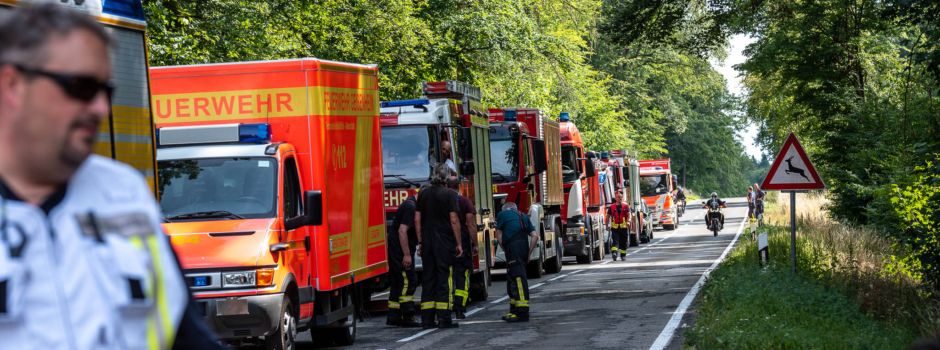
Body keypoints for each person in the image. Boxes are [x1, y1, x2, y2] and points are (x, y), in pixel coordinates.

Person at [0, 4, 223, 349]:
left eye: (107, 91)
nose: (101, 108)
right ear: (12, 85)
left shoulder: (124, 193)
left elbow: (186, 333)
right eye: (80, 87)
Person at [415, 165, 463, 329]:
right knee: (444, 278)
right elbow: (454, 220)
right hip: (444, 242)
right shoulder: (450, 194)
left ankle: (427, 320)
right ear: (447, 178)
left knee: (428, 279)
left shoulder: (423, 194)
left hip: (427, 242)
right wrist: (458, 243)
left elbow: (417, 219)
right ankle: (444, 319)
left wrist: (420, 242)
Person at [495, 202, 538, 322]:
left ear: (505, 210)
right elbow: (535, 236)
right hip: (523, 248)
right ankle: (513, 310)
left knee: (518, 279)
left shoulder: (502, 215)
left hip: (513, 249)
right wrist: (529, 253)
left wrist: (503, 247)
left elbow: (498, 233)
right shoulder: (523, 216)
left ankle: (522, 313)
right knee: (512, 279)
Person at [386, 191, 420, 327]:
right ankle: (408, 315)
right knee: (408, 281)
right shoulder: (411, 207)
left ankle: (393, 315)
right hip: (400, 251)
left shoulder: (410, 204)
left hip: (397, 249)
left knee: (397, 282)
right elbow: (402, 231)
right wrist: (406, 255)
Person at [448, 176, 476, 319]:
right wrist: (475, 243)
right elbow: (470, 224)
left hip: (445, 241)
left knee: (448, 274)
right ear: (459, 186)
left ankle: (447, 306)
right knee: (462, 275)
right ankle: (459, 307)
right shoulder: (465, 201)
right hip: (462, 242)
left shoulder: (443, 202)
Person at [606, 191, 631, 260]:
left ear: (622, 198)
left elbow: (629, 215)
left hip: (623, 227)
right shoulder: (612, 207)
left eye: (620, 197)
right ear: (615, 198)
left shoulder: (625, 206)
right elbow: (608, 216)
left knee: (623, 242)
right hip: (615, 228)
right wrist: (607, 225)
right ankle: (614, 253)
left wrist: (628, 221)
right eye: (618, 197)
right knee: (615, 241)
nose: (619, 198)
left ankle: (623, 255)